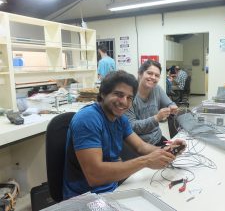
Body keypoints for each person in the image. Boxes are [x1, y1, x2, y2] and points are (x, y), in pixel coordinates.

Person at [63, 70, 185, 199]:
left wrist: (165, 150)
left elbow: (141, 147)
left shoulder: (120, 118)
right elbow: (95, 176)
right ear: (103, 94)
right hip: (87, 197)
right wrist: (146, 161)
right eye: (118, 94)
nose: (124, 102)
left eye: (129, 97)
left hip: (112, 187)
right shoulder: (87, 119)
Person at [125, 60, 178, 146]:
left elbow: (169, 103)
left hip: (157, 137)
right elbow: (131, 126)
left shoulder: (157, 89)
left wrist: (172, 106)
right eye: (149, 73)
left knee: (178, 152)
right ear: (140, 74)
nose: (153, 77)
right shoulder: (129, 95)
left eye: (157, 75)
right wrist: (156, 118)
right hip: (139, 144)